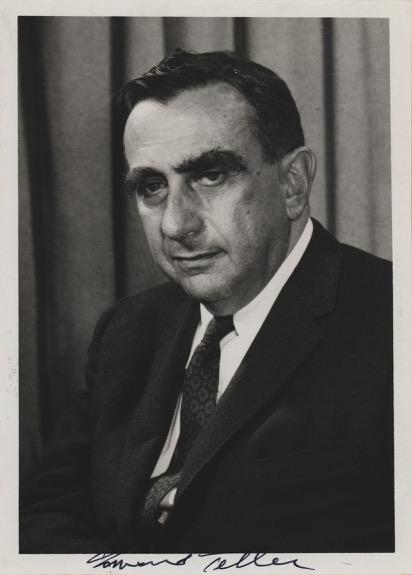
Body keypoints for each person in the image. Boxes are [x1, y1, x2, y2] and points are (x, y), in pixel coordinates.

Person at [20, 49, 394, 553]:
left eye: (210, 175)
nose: (176, 224)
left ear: (293, 184)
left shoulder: (393, 324)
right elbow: (44, 512)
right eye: (152, 186)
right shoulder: (127, 330)